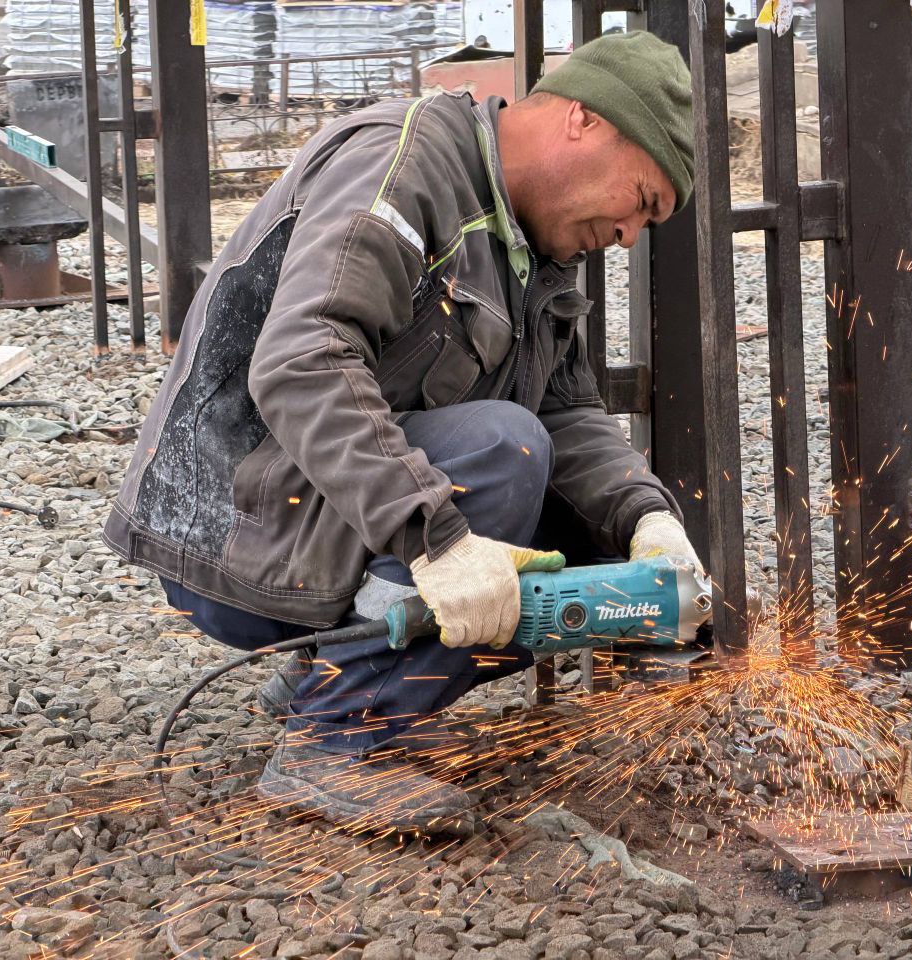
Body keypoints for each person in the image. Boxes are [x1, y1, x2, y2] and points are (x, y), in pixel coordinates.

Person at [104, 31, 704, 830]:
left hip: (314, 520)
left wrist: (645, 516)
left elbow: (569, 409)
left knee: (595, 546)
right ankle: (337, 742)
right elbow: (303, 360)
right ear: (585, 122)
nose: (630, 234)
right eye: (643, 200)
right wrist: (439, 539)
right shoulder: (407, 159)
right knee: (504, 450)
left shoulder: (532, 250)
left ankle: (329, 679)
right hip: (233, 529)